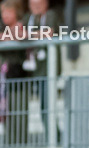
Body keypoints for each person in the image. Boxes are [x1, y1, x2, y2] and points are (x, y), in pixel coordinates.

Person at [0, 0, 31, 146]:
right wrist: (6, 36)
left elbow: (22, 36)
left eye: (8, 11)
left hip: (20, 77)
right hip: (4, 79)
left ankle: (21, 146)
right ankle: (10, 145)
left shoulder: (23, 24)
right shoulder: (0, 27)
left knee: (19, 113)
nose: (5, 15)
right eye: (3, 12)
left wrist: (5, 36)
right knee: (7, 113)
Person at [24, 0, 58, 140]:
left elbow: (49, 32)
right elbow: (17, 31)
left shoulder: (50, 15)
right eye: (33, 4)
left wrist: (27, 35)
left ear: (46, 4)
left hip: (47, 70)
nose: (36, 8)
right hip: (31, 69)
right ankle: (54, 136)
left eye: (39, 4)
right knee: (40, 107)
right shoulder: (28, 18)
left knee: (46, 106)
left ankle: (54, 138)